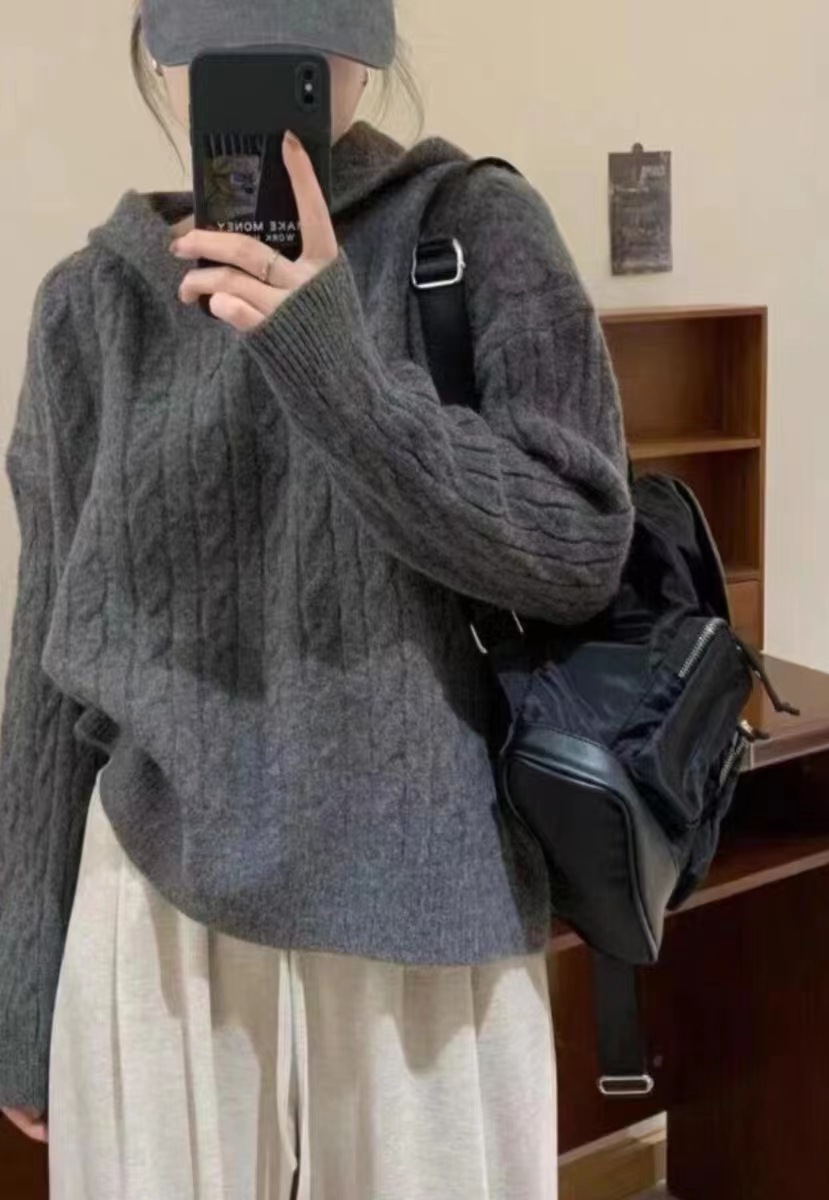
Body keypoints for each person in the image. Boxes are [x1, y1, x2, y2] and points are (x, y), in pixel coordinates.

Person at [0, 1, 634, 1195]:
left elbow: (576, 551)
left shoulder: (473, 231)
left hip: (425, 912)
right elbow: (45, 663)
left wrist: (332, 362)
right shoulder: (90, 305)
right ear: (157, 44)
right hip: (154, 918)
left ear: (367, 43)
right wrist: (21, 976)